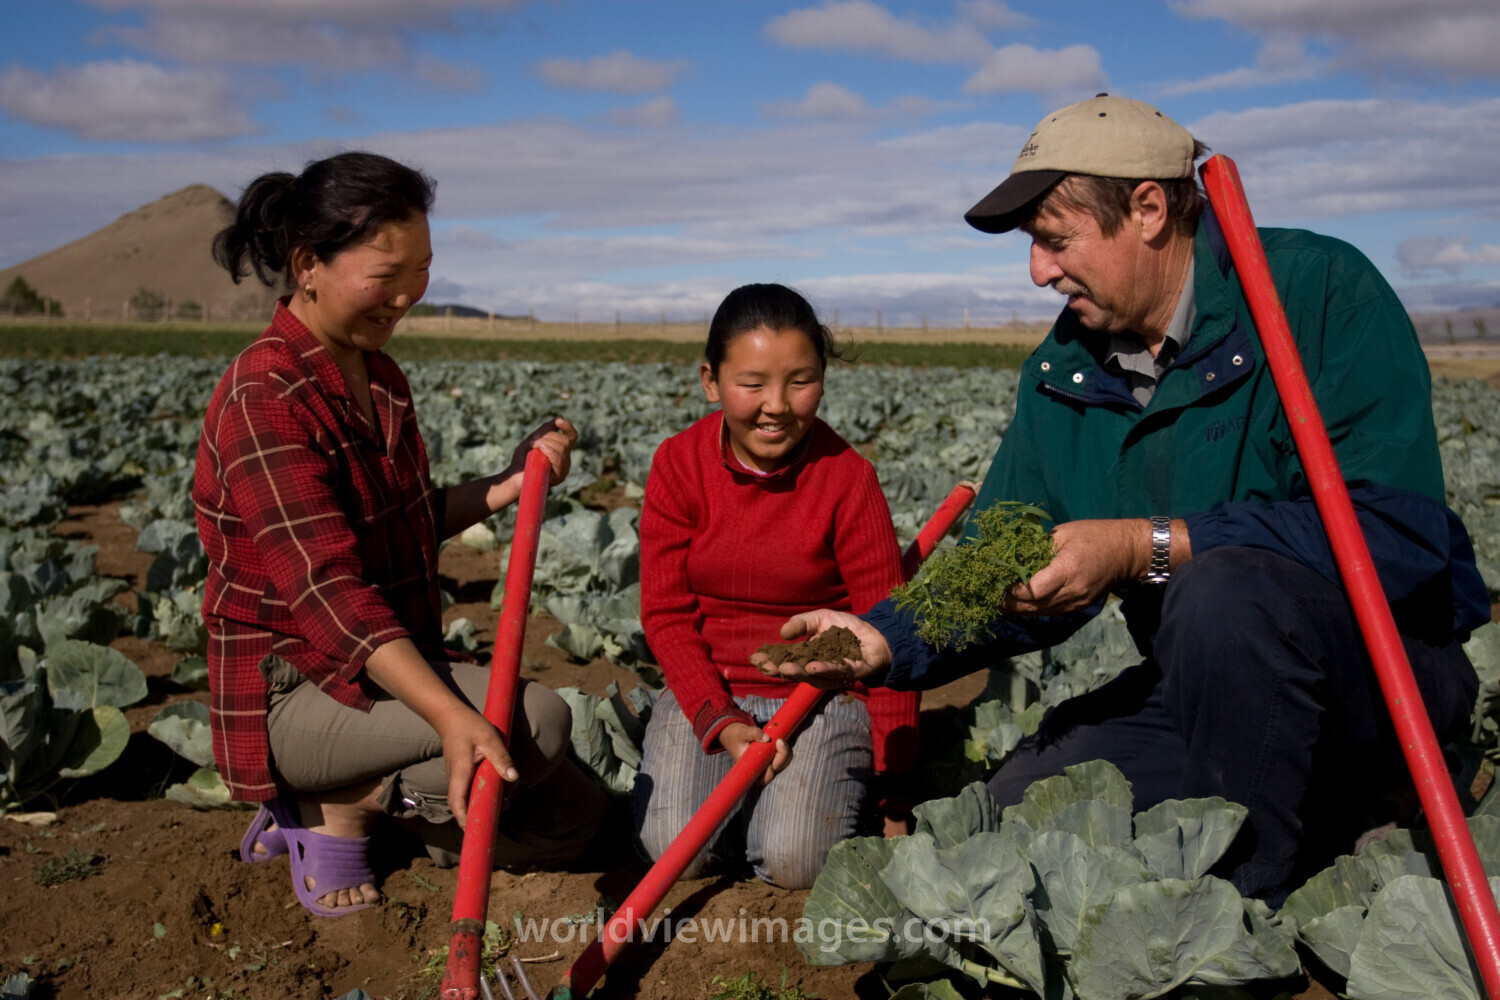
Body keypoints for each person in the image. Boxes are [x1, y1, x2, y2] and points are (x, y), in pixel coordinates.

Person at [756, 95, 1488, 905]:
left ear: (1147, 209)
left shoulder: (1318, 293)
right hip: (1208, 689)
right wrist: (883, 640)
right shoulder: (1066, 367)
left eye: (1054, 239)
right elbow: (1003, 564)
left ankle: (1245, 914)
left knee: (1220, 593)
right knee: (1016, 816)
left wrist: (1147, 546)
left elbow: (1398, 536)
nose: (1037, 270)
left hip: (1384, 685)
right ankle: (1328, 815)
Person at [194, 151, 607, 917]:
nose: (408, 295)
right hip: (296, 687)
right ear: (309, 264)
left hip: (375, 671)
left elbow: (404, 518)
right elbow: (328, 588)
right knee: (533, 720)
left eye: (421, 271)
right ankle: (335, 804)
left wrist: (504, 487)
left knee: (575, 825)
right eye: (386, 275)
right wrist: (453, 716)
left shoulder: (378, 374)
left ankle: (380, 804)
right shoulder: (265, 395)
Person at [634, 283, 921, 889]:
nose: (777, 405)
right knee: (673, 854)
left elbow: (889, 628)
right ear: (711, 381)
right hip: (710, 693)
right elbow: (665, 616)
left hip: (819, 696)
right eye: (753, 383)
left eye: (800, 380)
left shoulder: (848, 479)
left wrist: (896, 797)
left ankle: (785, 810)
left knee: (795, 863)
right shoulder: (678, 465)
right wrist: (723, 722)